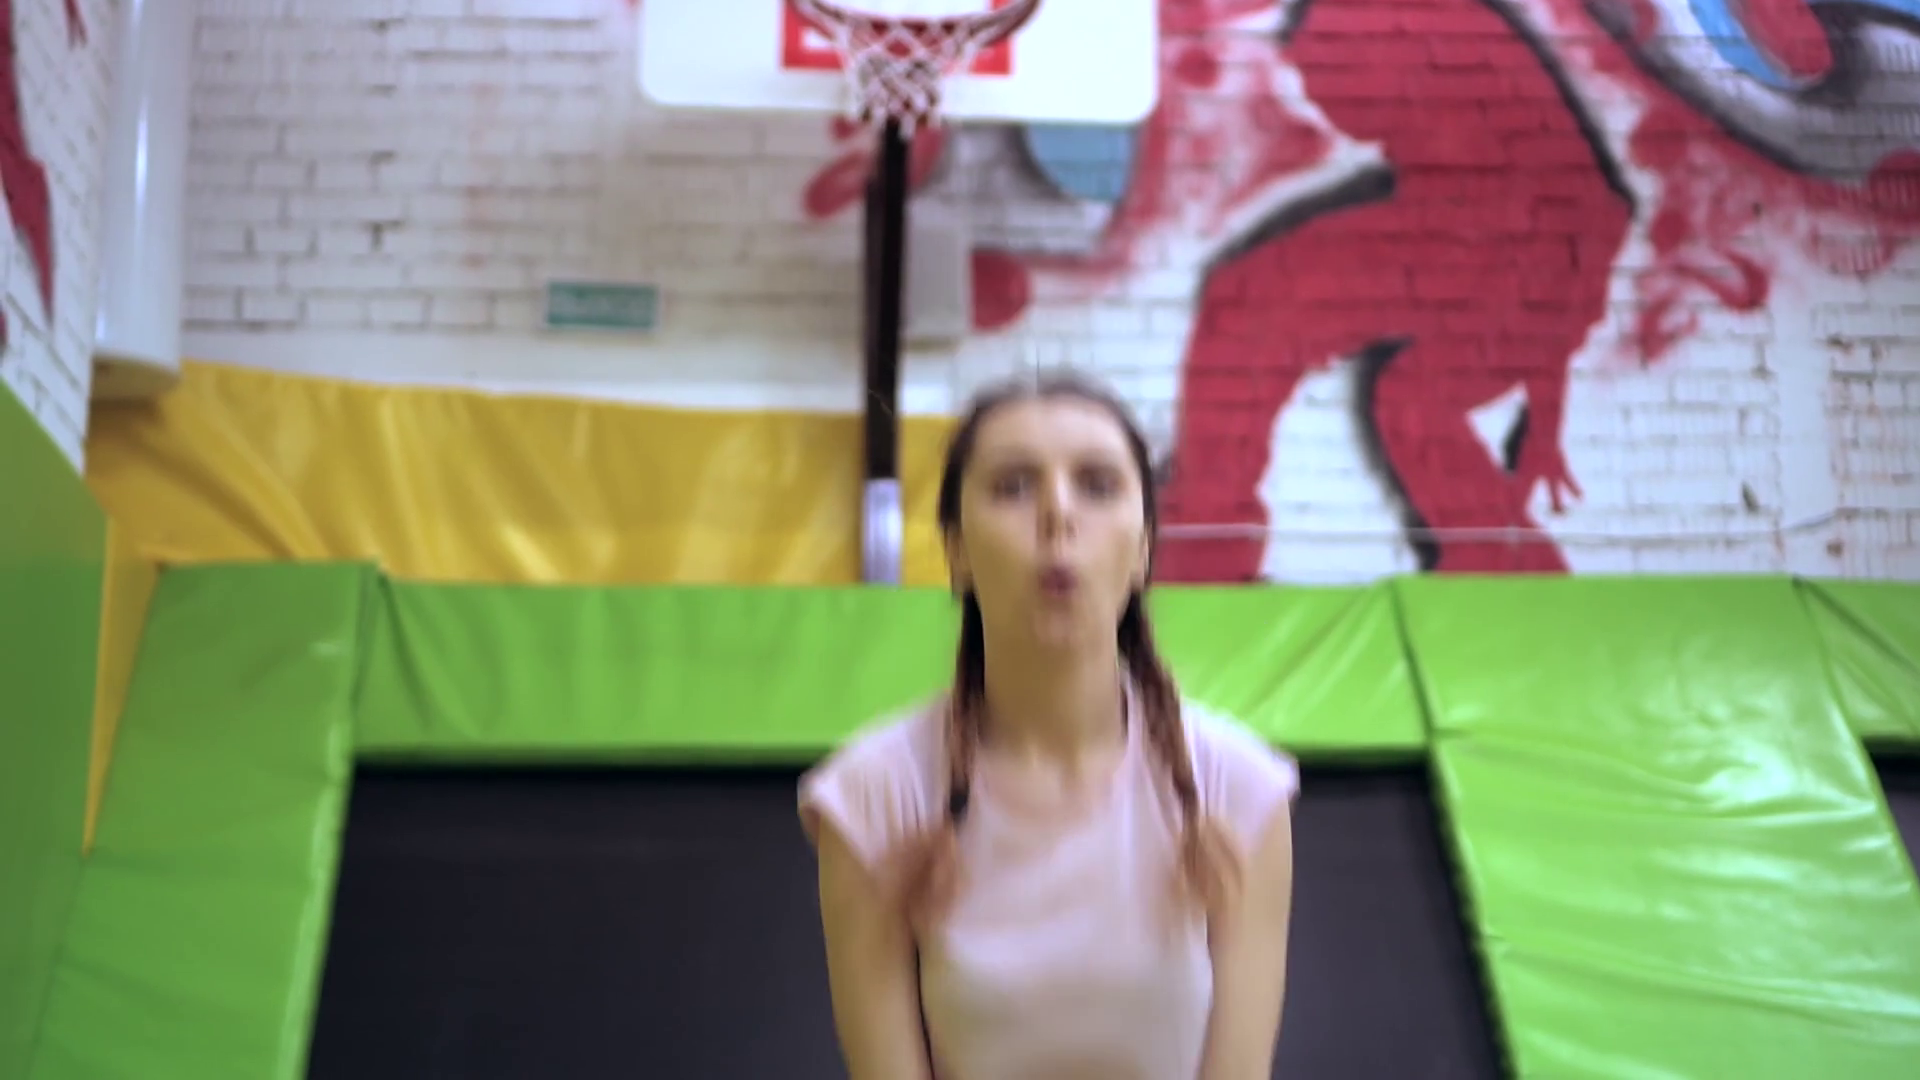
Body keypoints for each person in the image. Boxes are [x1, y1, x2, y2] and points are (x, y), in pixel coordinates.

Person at [797, 371, 1300, 1079]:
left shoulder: (1240, 790)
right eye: (1012, 487)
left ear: (1144, 550)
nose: (1058, 514)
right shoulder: (874, 798)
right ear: (957, 551)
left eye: (1097, 485)